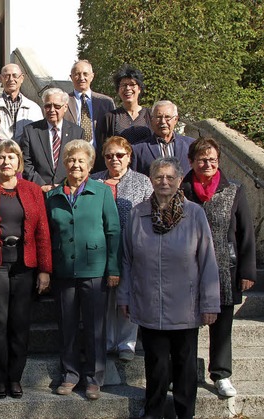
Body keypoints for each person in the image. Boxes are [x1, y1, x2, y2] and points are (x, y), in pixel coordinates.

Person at [118, 157, 220, 419]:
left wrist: (210, 303)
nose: (164, 182)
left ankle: (185, 413)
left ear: (178, 181)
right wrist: (124, 296)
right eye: (159, 177)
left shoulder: (194, 214)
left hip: (185, 305)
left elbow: (207, 260)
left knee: (185, 366)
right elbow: (127, 260)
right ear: (151, 180)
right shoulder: (138, 214)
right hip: (149, 302)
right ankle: (153, 410)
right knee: (156, 365)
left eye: (169, 177)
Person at [0, 140, 52, 399]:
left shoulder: (33, 190)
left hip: (24, 266)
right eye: (2, 157)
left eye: (11, 157)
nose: (6, 162)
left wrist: (44, 269)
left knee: (20, 324)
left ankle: (15, 378)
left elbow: (42, 231)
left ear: (19, 162)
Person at [181, 137, 256, 397]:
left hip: (225, 267)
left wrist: (247, 271)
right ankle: (185, 372)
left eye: (213, 159)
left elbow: (246, 234)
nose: (208, 163)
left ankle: (221, 373)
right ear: (190, 161)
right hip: (189, 268)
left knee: (222, 324)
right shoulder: (181, 190)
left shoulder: (234, 189)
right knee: (187, 323)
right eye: (202, 159)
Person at [45, 139, 120, 400]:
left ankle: (94, 377)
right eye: (71, 160)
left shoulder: (101, 192)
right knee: (67, 326)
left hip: (95, 271)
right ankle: (70, 375)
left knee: (94, 326)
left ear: (89, 165)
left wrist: (113, 268)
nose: (76, 165)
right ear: (64, 164)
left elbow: (113, 230)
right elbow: (48, 233)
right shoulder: (53, 196)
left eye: (81, 161)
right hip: (64, 270)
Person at [90, 136, 152, 361]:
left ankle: (127, 343)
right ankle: (106, 340)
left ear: (129, 156)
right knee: (103, 298)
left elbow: (149, 214)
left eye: (119, 155)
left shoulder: (143, 182)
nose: (114, 159)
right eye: (108, 156)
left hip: (131, 247)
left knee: (127, 295)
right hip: (100, 248)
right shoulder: (94, 181)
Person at [21, 88, 85, 192]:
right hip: (39, 191)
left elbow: (81, 162)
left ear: (65, 107)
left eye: (57, 106)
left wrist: (65, 184)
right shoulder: (30, 131)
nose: (52, 110)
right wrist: (40, 185)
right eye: (47, 106)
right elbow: (25, 162)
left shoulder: (77, 133)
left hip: (68, 190)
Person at [64, 60, 115, 172]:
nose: (81, 78)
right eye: (77, 74)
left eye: (85, 74)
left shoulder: (106, 102)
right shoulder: (63, 101)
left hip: (101, 160)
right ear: (71, 77)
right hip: (74, 161)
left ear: (92, 76)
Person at [131, 100, 196, 177]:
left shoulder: (191, 145)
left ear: (175, 120)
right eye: (158, 117)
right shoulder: (138, 150)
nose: (163, 121)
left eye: (167, 117)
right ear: (152, 119)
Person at [98, 64, 151, 146]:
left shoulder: (150, 115)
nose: (128, 88)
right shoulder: (110, 118)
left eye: (132, 84)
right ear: (118, 90)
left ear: (139, 88)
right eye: (123, 85)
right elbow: (103, 148)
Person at [0, 63, 43, 142]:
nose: (11, 79)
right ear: (1, 78)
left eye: (15, 75)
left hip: (26, 152)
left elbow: (39, 134)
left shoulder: (34, 108)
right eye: (7, 76)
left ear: (22, 78)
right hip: (0, 151)